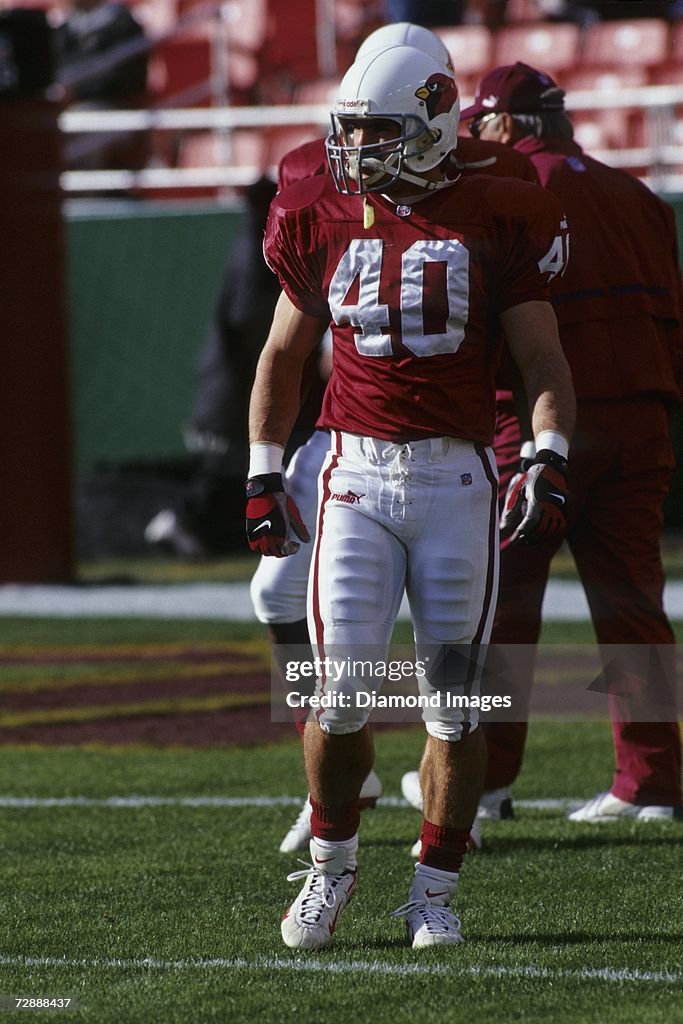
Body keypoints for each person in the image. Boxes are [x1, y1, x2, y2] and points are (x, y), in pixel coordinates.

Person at [246, 43, 575, 949]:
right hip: (352, 474)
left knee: (453, 703)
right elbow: (280, 354)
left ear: (433, 121)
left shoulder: (502, 207)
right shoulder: (319, 206)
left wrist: (546, 454)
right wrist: (264, 468)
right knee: (337, 694)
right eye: (348, 130)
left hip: (456, 478)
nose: (356, 150)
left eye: (377, 131)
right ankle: (329, 869)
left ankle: (433, 890)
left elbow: (544, 359)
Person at [454, 62, 682, 822]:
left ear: (508, 128)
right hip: (642, 421)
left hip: (543, 424)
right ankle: (648, 782)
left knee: (502, 607)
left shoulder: (508, 192)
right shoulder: (639, 195)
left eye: (478, 128)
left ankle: (483, 782)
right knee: (632, 605)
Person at [52, 0, 149, 173]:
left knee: (82, 134)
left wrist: (78, 88)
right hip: (67, 110)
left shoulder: (124, 25)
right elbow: (55, 70)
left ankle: (84, 197)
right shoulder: (62, 29)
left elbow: (131, 80)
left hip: (114, 111)